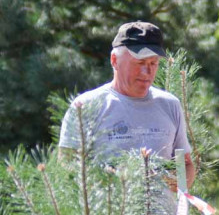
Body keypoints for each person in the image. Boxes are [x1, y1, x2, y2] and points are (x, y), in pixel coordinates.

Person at [59, 21, 195, 198]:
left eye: (154, 63)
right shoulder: (85, 106)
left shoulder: (170, 104)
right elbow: (66, 167)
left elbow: (186, 165)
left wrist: (176, 180)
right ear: (114, 60)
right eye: (140, 62)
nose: (147, 71)